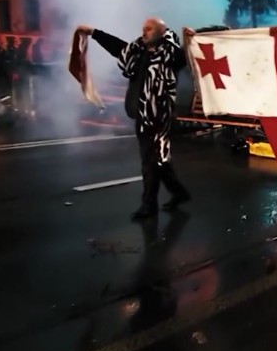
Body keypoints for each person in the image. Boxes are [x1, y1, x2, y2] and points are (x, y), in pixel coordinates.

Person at [77, 18, 193, 220]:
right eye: (143, 29)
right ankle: (179, 192)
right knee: (159, 161)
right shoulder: (137, 52)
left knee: (150, 162)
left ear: (161, 32)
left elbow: (188, 55)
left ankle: (149, 206)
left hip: (160, 117)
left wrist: (189, 40)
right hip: (142, 115)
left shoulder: (171, 55)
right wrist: (93, 32)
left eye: (149, 29)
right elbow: (116, 46)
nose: (144, 32)